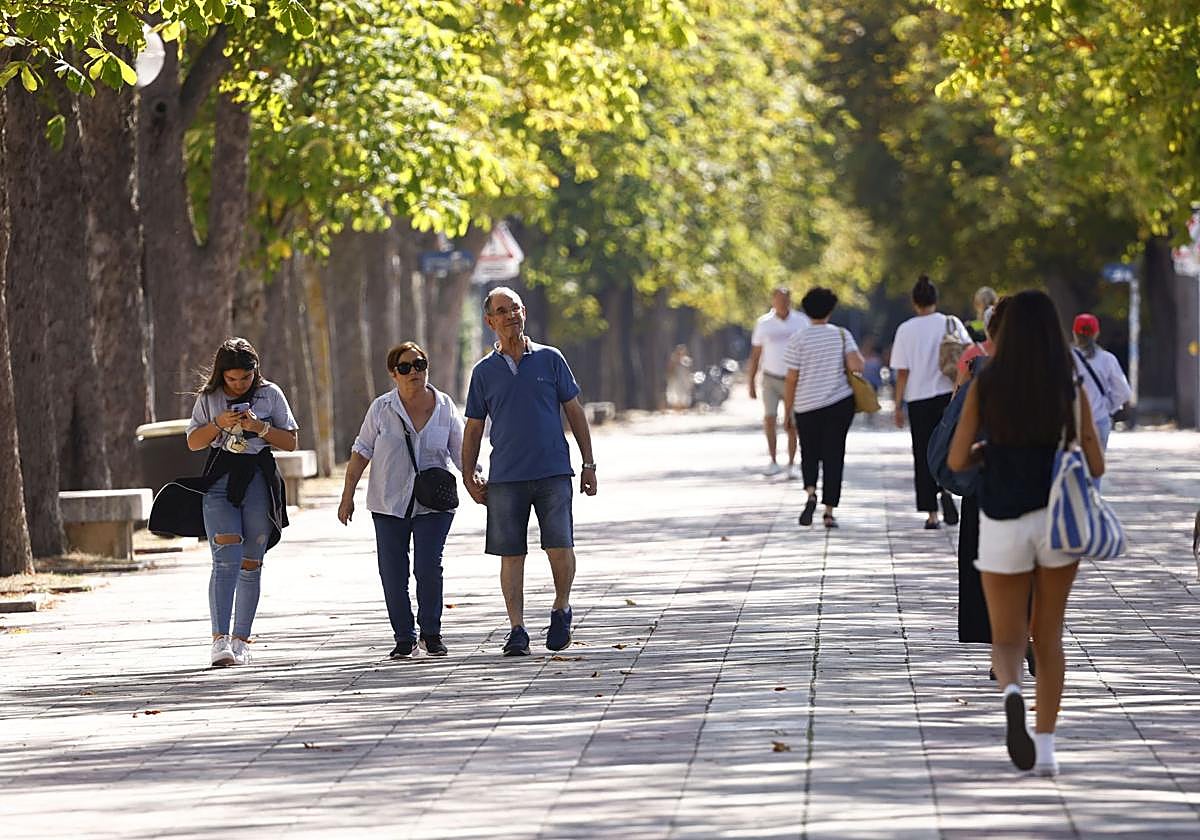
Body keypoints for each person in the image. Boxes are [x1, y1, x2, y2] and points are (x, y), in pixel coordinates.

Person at [948, 289, 1104, 777]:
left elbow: (956, 459)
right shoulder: (1069, 383)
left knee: (1008, 635)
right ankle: (1048, 746)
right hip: (1057, 518)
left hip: (1000, 516)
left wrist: (984, 453)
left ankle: (1012, 692)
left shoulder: (986, 381)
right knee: (1049, 634)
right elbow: (1095, 462)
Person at [462, 287, 598, 656]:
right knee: (511, 554)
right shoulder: (483, 373)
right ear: (490, 321)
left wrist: (588, 463)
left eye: (516, 308)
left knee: (560, 544)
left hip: (553, 471)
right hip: (506, 477)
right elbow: (473, 427)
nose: (511, 316)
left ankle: (561, 607)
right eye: (503, 311)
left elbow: (574, 411)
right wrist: (467, 473)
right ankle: (517, 629)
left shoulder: (551, 359)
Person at [338, 342, 464, 659]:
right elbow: (361, 450)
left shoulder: (445, 406)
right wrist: (347, 495)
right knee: (393, 572)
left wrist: (478, 482)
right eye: (405, 367)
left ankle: (431, 633)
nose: (414, 372)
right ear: (394, 373)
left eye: (419, 365)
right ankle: (404, 636)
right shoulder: (382, 409)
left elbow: (462, 453)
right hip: (388, 502)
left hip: (434, 502)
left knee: (428, 566)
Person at [184, 338, 299, 667]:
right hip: (220, 479)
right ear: (221, 375)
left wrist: (259, 427)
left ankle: (242, 639)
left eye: (244, 379)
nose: (238, 385)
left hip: (259, 479)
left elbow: (291, 440)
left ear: (255, 371)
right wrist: (219, 423)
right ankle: (219, 640)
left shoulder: (271, 394)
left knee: (252, 560)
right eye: (231, 379)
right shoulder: (209, 398)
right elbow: (193, 441)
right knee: (226, 555)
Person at [891, 275, 971, 529]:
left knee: (923, 453)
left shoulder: (906, 329)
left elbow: (902, 372)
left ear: (914, 302)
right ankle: (947, 490)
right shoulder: (951, 322)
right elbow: (969, 356)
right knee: (948, 447)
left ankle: (931, 513)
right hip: (948, 396)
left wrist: (897, 404)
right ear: (935, 300)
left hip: (918, 398)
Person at [782, 287, 864, 529]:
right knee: (833, 454)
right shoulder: (841, 334)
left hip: (807, 405)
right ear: (830, 310)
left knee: (809, 451)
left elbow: (791, 378)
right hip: (839, 403)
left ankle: (810, 493)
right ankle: (829, 511)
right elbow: (856, 364)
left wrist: (788, 411)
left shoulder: (798, 338)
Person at [747, 287, 809, 478]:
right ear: (773, 301)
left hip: (794, 379)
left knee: (792, 422)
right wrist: (751, 381)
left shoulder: (801, 321)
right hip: (770, 378)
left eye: (785, 299)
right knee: (770, 418)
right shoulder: (764, 323)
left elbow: (808, 350)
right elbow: (756, 354)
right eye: (778, 299)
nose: (782, 303)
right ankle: (773, 461)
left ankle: (792, 464)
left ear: (790, 300)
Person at [1070, 313, 1132, 453]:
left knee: (1073, 469)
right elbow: (1124, 392)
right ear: (1096, 333)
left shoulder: (1065, 358)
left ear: (1074, 333)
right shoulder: (1107, 359)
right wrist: (1108, 406)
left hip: (1072, 422)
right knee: (1095, 468)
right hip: (1099, 420)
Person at [665, 344, 694, 410]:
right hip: (676, 379)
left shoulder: (686, 360)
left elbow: (689, 370)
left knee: (684, 396)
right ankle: (677, 409)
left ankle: (683, 409)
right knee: (675, 396)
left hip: (684, 380)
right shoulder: (674, 359)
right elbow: (670, 369)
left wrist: (690, 380)